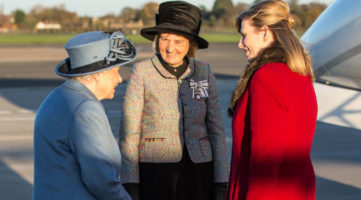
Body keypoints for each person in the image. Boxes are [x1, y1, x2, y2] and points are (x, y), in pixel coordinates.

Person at [119, 1, 229, 200]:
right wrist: (130, 182)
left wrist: (221, 180)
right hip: (155, 172)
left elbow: (216, 130)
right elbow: (129, 133)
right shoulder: (142, 72)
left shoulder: (204, 71)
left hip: (199, 171)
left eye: (178, 41)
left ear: (190, 44)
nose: (170, 48)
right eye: (164, 39)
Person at [227, 0, 318, 199]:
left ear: (266, 32)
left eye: (244, 35)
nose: (240, 44)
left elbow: (266, 158)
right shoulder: (300, 74)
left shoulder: (266, 76)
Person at [33, 31, 137, 200]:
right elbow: (101, 181)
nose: (119, 79)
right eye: (115, 70)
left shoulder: (57, 96)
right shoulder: (85, 108)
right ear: (98, 75)